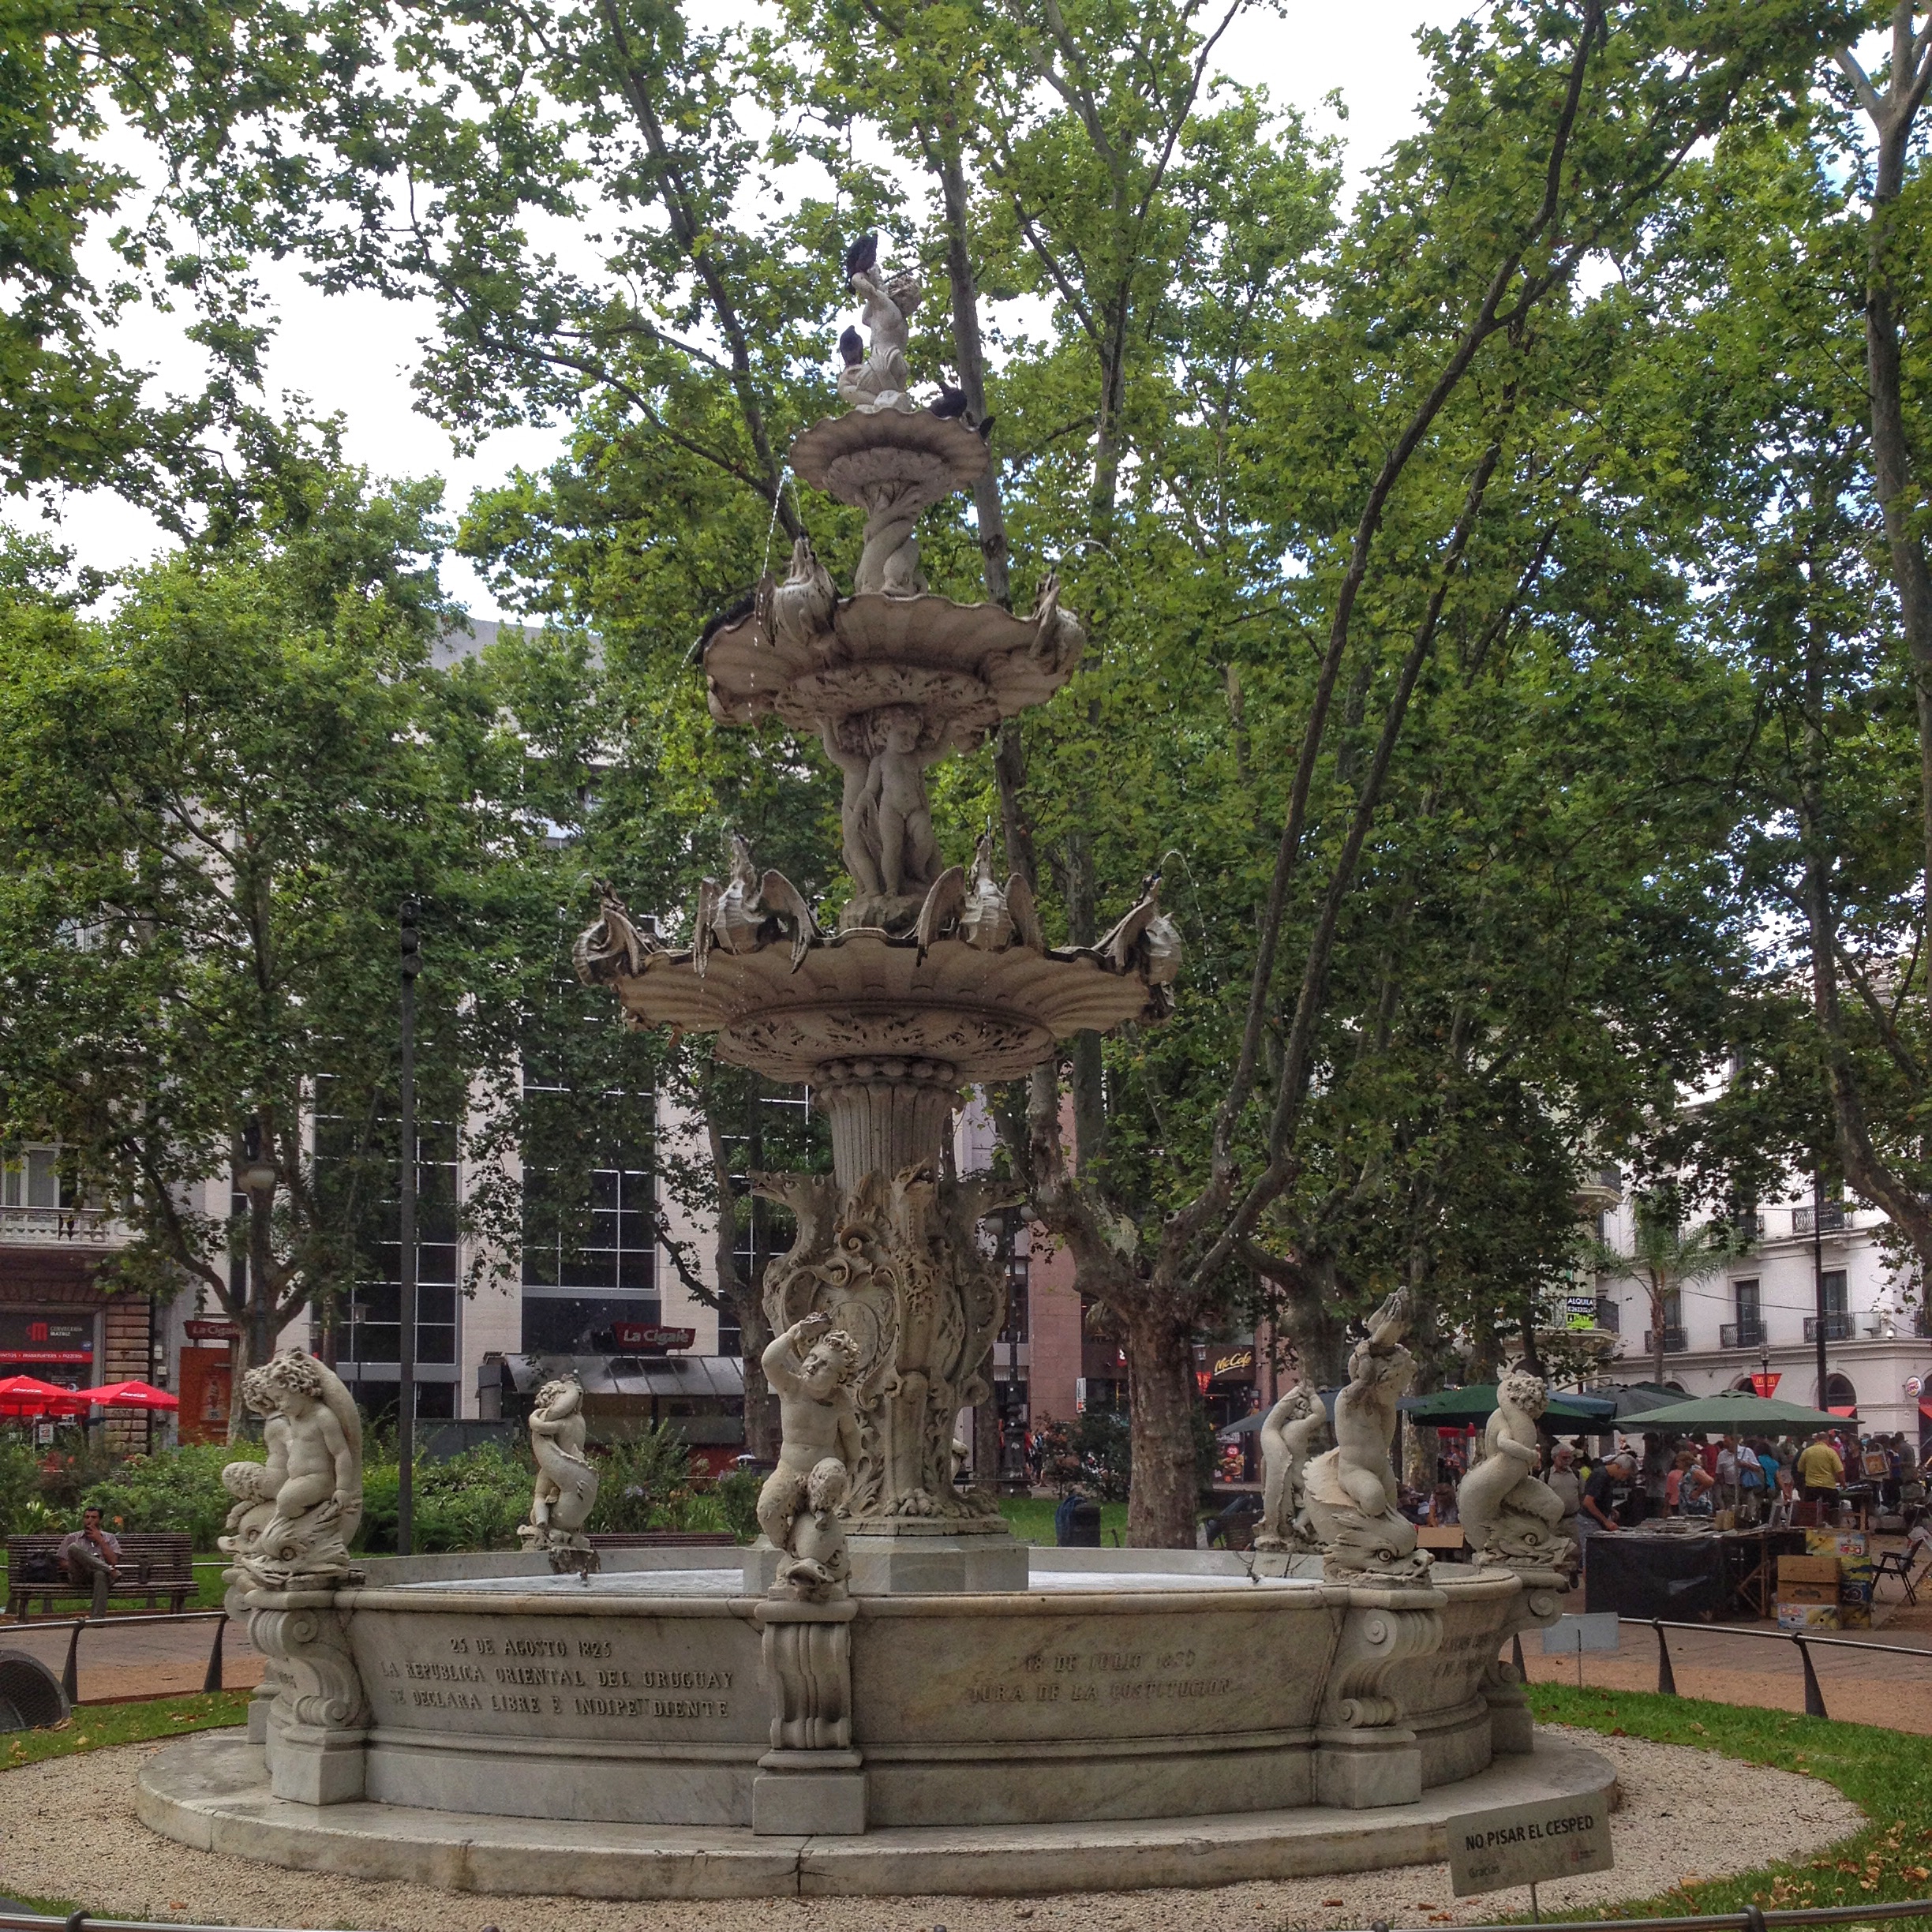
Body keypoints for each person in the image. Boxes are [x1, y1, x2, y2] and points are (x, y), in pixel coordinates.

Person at [58, 1506, 122, 1618]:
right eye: (87, 1517)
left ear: (100, 1520)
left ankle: (97, 1618)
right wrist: (84, 1562)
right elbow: (62, 1563)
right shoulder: (72, 1537)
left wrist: (100, 1540)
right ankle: (108, 1570)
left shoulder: (109, 1538)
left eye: (94, 1517)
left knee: (100, 1573)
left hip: (100, 1577)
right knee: (73, 1548)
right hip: (79, 1574)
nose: (90, 1520)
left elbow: (113, 1561)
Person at [1582, 1450, 1638, 1540]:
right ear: (1618, 1467)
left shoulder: (1609, 1478)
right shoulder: (1600, 1475)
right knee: (1591, 1550)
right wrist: (1606, 1521)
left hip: (1598, 1520)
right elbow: (1588, 1502)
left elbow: (1599, 1499)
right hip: (1589, 1521)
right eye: (1625, 1474)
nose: (1624, 1478)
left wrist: (1610, 1509)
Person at [1546, 1443, 1583, 1548]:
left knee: (1576, 1549)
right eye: (1564, 1458)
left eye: (1569, 1458)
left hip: (1572, 1521)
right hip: (1554, 1522)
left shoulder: (1577, 1474)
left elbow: (1582, 1495)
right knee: (1554, 1549)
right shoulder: (1546, 1476)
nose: (1567, 1460)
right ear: (1554, 1457)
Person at [1797, 1431, 1844, 1504]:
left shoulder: (1807, 1452)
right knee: (1831, 1510)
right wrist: (1843, 1484)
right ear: (1827, 1439)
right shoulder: (1831, 1452)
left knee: (1811, 1510)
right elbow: (1840, 1471)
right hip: (1828, 1487)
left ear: (1816, 1439)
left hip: (1811, 1487)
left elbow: (1800, 1469)